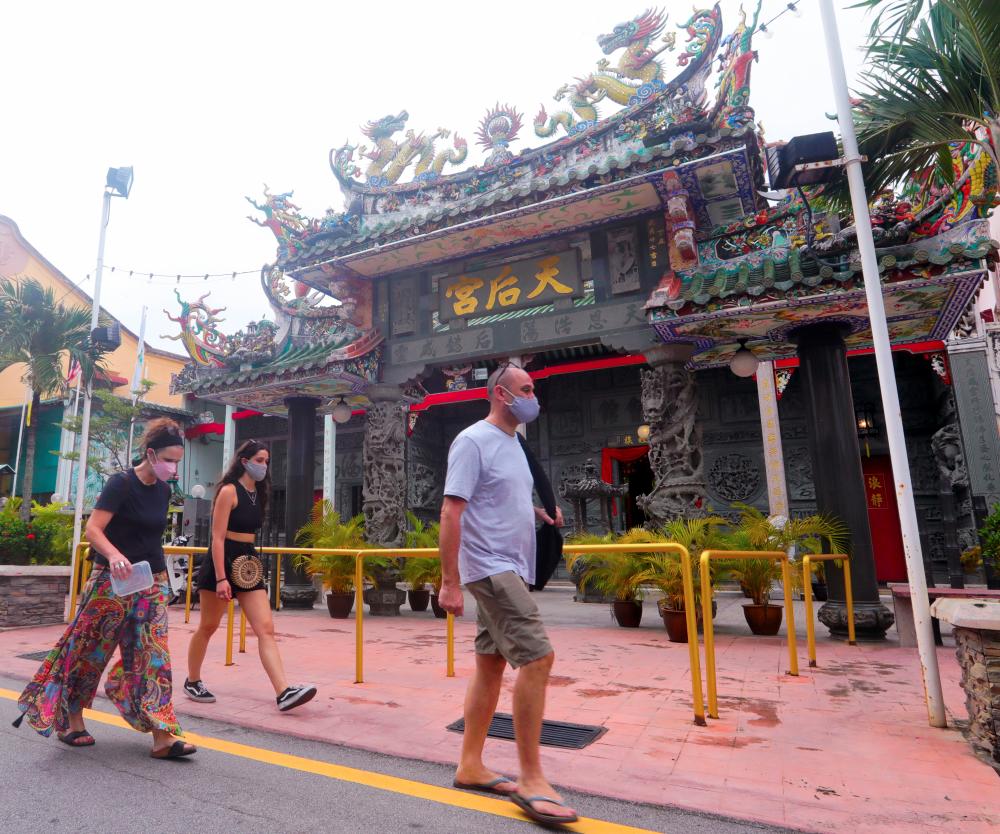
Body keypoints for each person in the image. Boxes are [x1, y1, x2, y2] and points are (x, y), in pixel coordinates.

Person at [439, 363, 577, 826]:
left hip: (510, 565)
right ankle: (533, 778)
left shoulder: (514, 443)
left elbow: (496, 498)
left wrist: (538, 511)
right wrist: (449, 581)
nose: (534, 396)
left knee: (491, 664)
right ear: (501, 394)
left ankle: (471, 765)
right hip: (490, 568)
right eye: (527, 389)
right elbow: (451, 511)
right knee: (538, 658)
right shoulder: (472, 441)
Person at [15, 418, 195, 759]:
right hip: (110, 582)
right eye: (169, 460)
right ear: (152, 453)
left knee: (154, 655)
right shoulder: (121, 484)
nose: (173, 468)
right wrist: (114, 556)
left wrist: (163, 583)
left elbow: (152, 537)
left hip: (149, 582)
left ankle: (163, 735)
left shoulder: (164, 490)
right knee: (90, 652)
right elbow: (93, 529)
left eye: (178, 462)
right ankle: (72, 719)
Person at [185, 439, 316, 712]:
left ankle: (283, 691)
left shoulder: (259, 493)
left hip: (248, 562)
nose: (264, 466)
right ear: (244, 461)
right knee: (208, 626)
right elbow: (217, 538)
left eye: (266, 461)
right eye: (259, 460)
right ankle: (193, 680)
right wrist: (221, 578)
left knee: (265, 628)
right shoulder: (229, 491)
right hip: (223, 559)